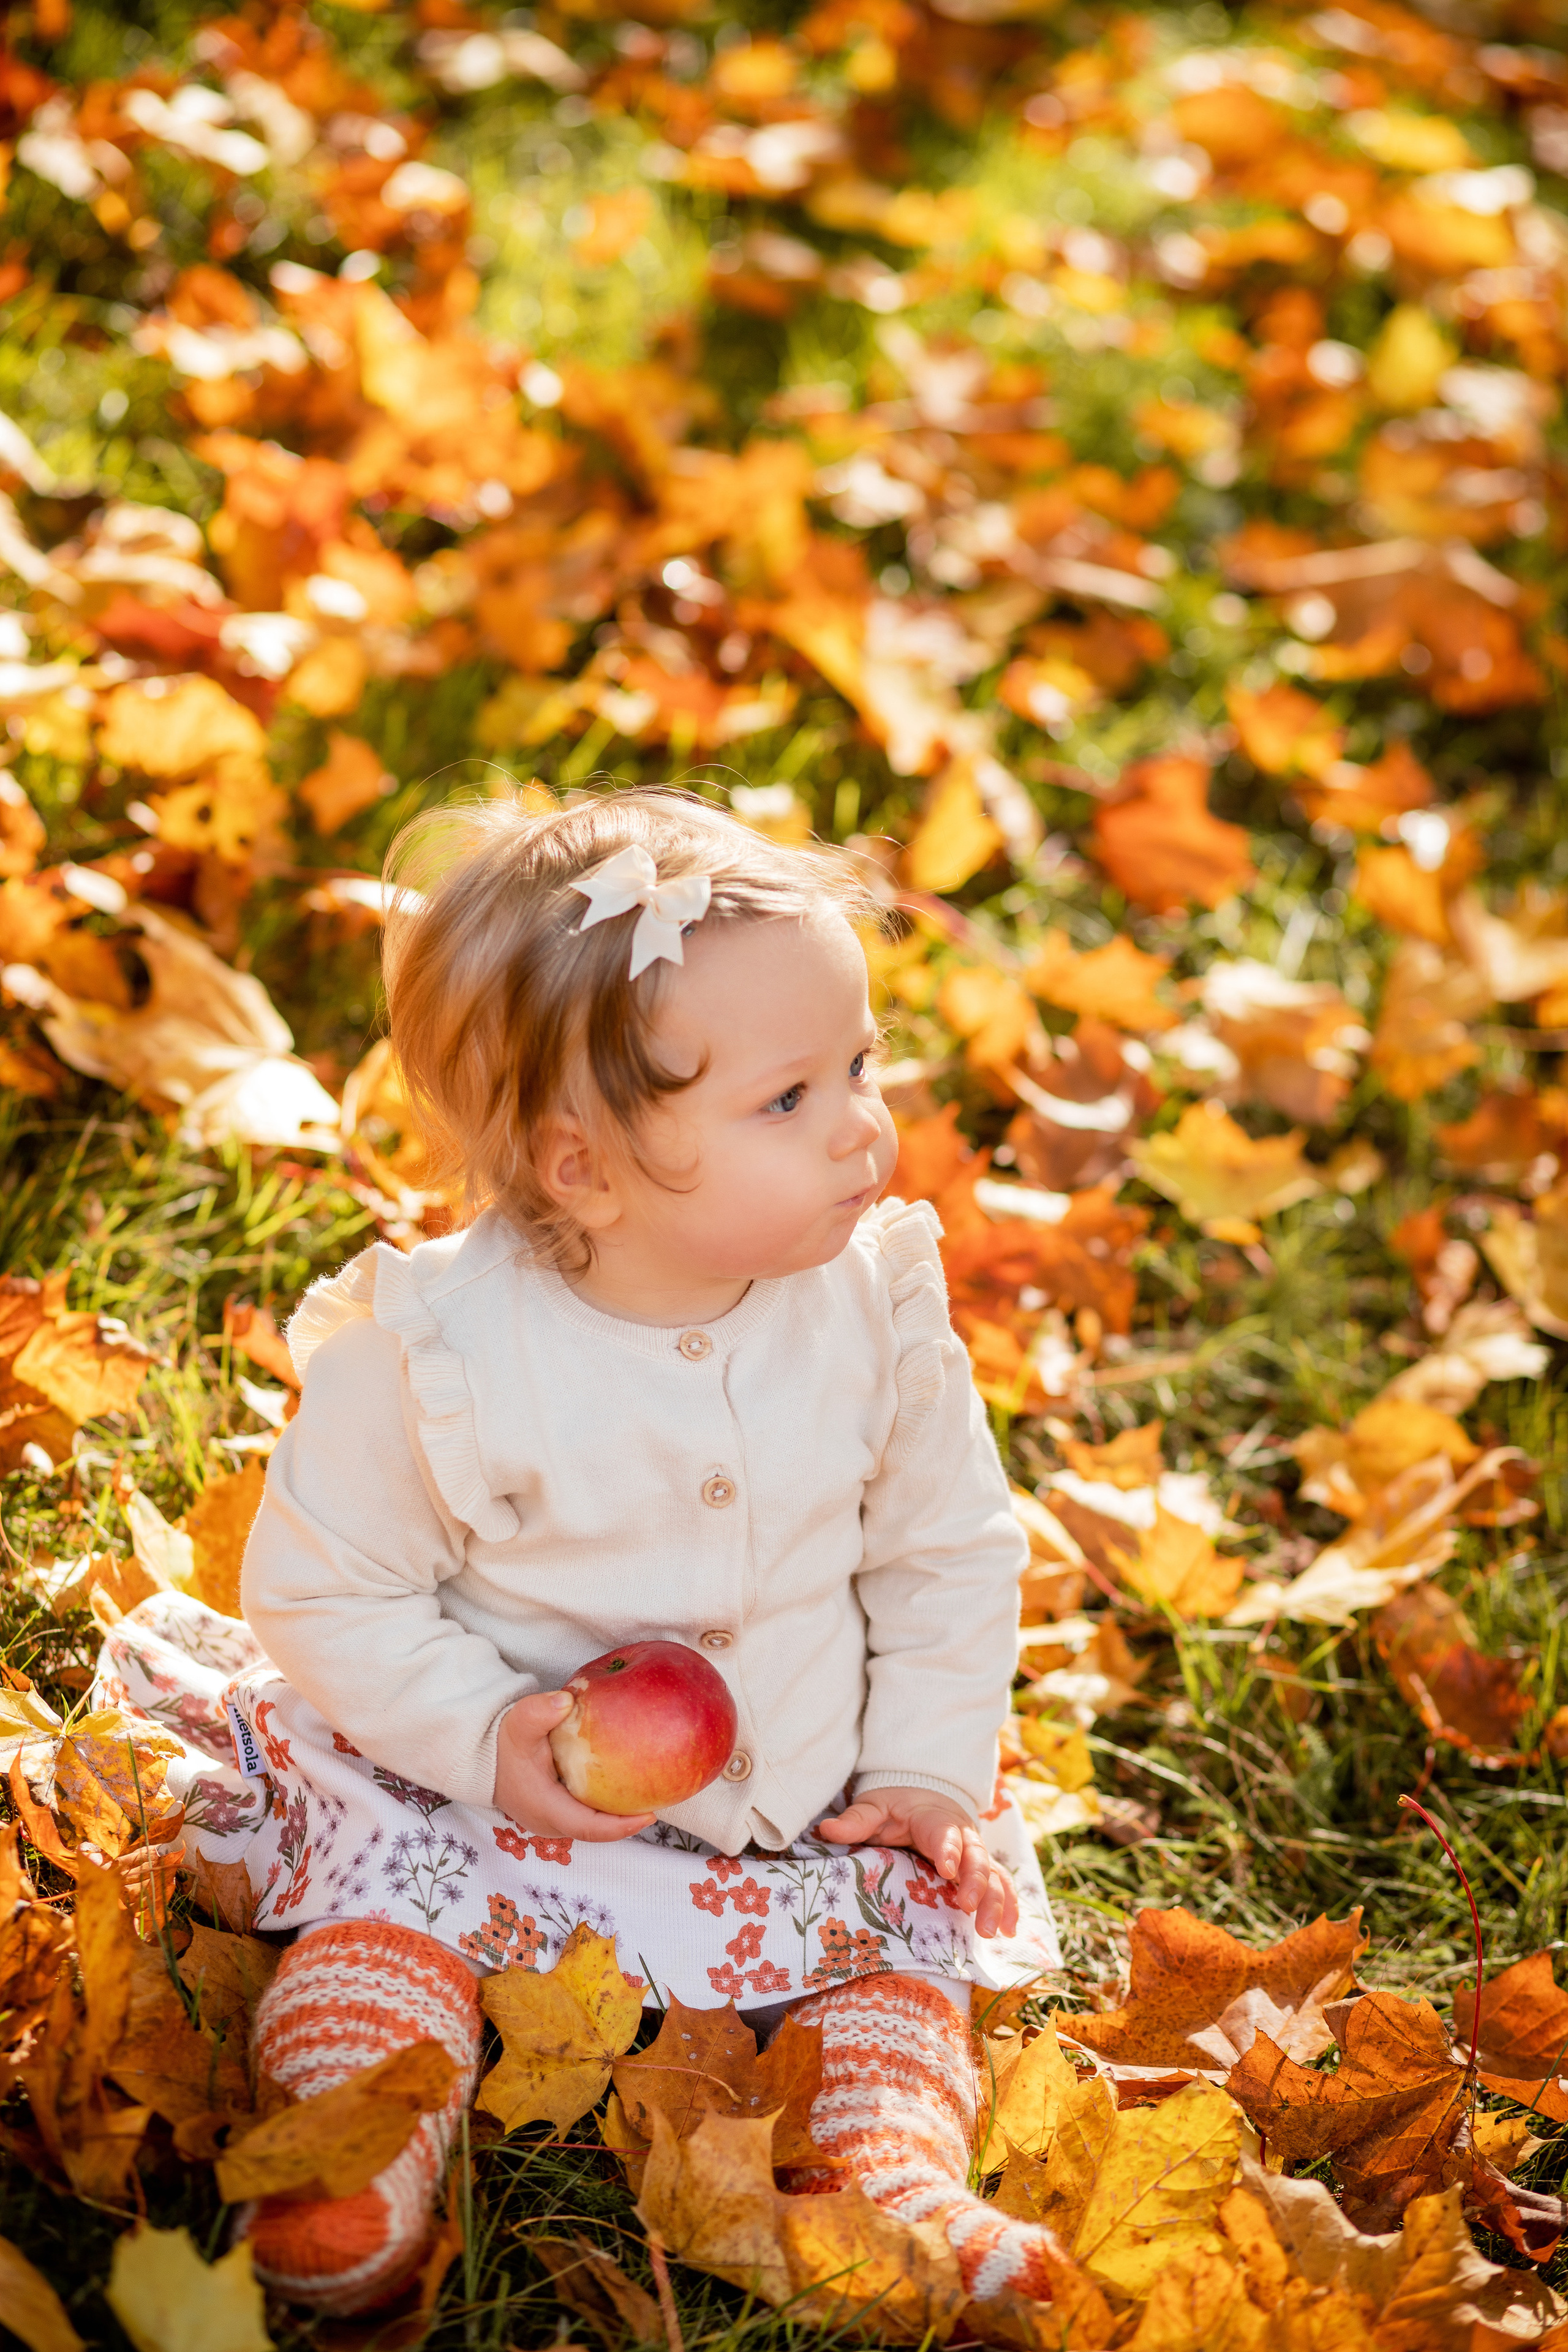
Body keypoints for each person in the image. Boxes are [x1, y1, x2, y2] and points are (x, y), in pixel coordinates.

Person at [97, 787, 1061, 2316]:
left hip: (806, 1801)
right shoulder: (442, 1354)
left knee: (897, 1948)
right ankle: (357, 2135)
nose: (860, 1127)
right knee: (392, 1905)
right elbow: (328, 1587)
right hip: (504, 1798)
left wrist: (922, 1771)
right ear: (582, 1169)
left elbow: (943, 1549)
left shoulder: (873, 1305)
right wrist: (483, 1734)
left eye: (859, 1065)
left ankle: (887, 2172)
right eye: (786, 1101)